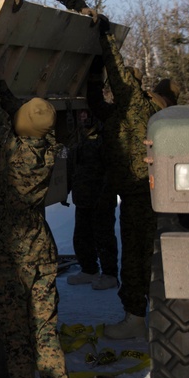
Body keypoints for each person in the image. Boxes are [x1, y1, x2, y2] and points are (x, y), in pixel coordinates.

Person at [0, 27, 79, 378]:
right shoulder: (47, 146)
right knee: (45, 329)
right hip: (41, 249)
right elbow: (23, 114)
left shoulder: (5, 150)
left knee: (16, 333)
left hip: (8, 251)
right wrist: (2, 81)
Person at [87, 17, 180, 339]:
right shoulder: (158, 115)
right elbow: (99, 106)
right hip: (146, 193)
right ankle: (148, 314)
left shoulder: (137, 107)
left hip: (142, 195)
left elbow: (119, 73)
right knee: (148, 254)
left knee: (139, 255)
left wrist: (105, 39)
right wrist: (94, 72)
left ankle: (137, 318)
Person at [66, 109, 120, 290]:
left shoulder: (105, 139)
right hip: (82, 198)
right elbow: (72, 166)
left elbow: (112, 170)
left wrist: (106, 195)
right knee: (81, 237)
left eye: (87, 116)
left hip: (101, 198)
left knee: (103, 237)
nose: (83, 119)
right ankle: (89, 270)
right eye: (81, 115)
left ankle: (110, 274)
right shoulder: (79, 139)